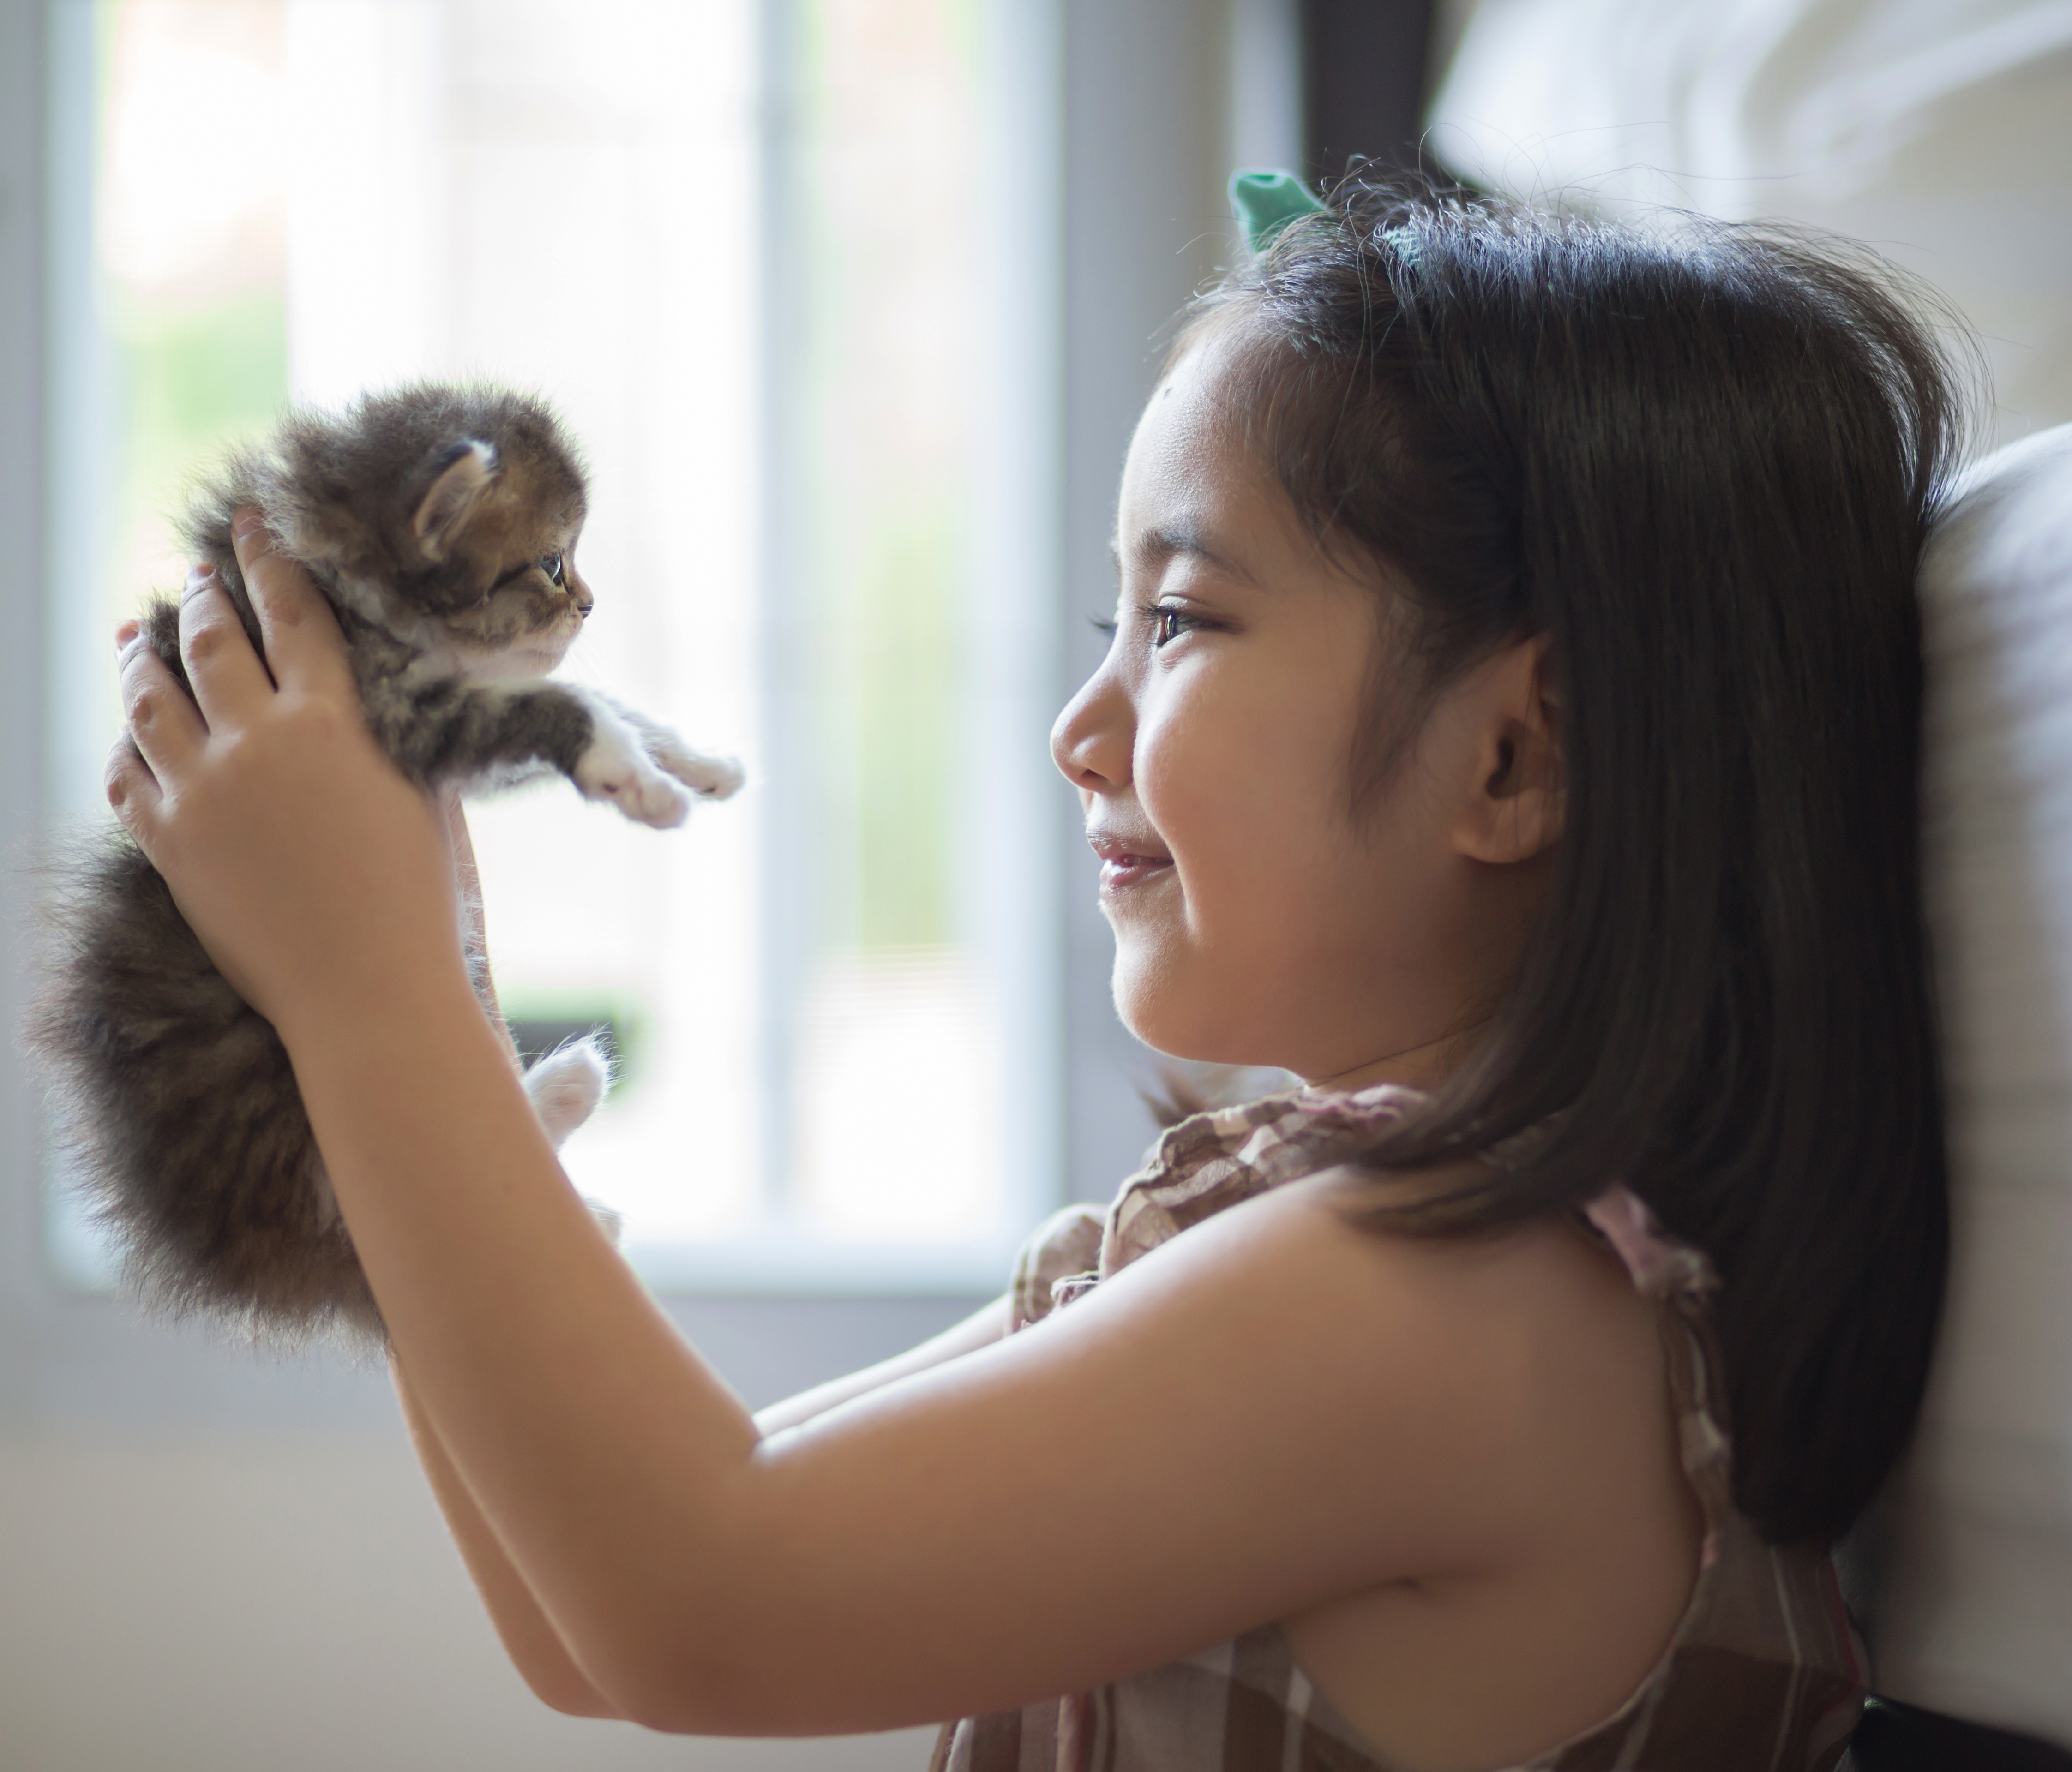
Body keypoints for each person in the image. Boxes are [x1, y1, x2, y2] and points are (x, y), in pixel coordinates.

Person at [102, 173, 1958, 1771]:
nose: (1082, 728)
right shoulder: (1312, 1241)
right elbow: (598, 1622)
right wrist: (406, 964)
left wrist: (375, 999)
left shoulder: (1476, 1310)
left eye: (1179, 618)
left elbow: (698, 1600)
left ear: (1514, 758)